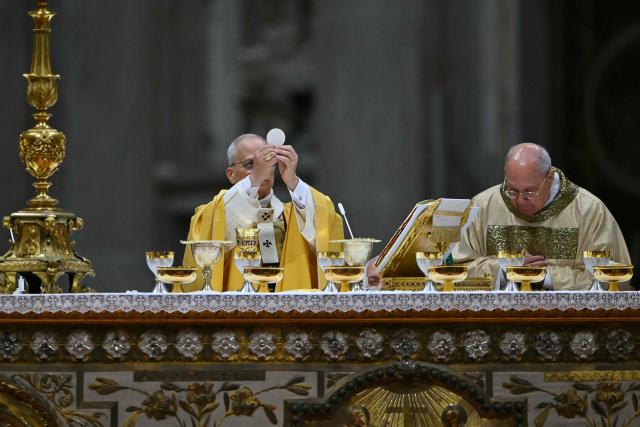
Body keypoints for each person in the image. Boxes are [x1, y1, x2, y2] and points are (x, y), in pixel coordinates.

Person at [451, 142, 631, 290]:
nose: (521, 200)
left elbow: (614, 279)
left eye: (530, 192)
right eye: (512, 190)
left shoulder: (589, 211)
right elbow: (454, 271)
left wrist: (546, 277)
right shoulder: (483, 206)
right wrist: (504, 270)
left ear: (550, 178)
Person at [182, 133, 343, 292]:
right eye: (251, 164)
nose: (263, 169)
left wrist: (294, 182)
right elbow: (218, 222)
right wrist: (255, 179)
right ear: (231, 174)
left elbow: (325, 219)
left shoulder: (294, 214)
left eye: (267, 161)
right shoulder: (216, 211)